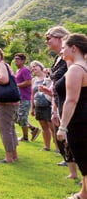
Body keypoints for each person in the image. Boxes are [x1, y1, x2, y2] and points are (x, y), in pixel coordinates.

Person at [40, 26, 78, 178]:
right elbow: (58, 85)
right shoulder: (57, 59)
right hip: (59, 102)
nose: (46, 41)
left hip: (72, 102)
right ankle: (73, 172)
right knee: (61, 137)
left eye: (49, 38)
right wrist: (54, 105)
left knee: (74, 137)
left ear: (60, 38)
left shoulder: (72, 60)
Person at [55, 34, 87, 199]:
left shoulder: (76, 69)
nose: (62, 50)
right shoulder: (84, 66)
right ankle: (85, 194)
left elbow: (71, 100)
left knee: (84, 159)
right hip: (83, 118)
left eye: (65, 47)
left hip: (79, 121)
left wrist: (62, 127)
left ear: (74, 48)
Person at [0, 47, 19, 163]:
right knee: (10, 128)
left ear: (0, 57)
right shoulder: (3, 65)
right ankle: (14, 155)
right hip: (10, 102)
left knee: (5, 129)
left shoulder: (0, 65)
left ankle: (9, 157)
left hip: (4, 102)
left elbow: (4, 79)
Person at [14, 53, 41, 142]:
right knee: (17, 117)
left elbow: (29, 82)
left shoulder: (25, 70)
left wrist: (16, 85)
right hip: (18, 97)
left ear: (23, 61)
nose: (15, 60)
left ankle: (25, 137)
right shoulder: (18, 70)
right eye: (15, 58)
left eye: (18, 59)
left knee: (22, 117)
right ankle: (33, 129)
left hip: (24, 97)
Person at [30, 60, 55, 151]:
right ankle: (46, 146)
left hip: (48, 105)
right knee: (44, 127)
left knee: (52, 127)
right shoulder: (33, 80)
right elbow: (32, 95)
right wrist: (32, 108)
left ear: (40, 66)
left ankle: (57, 148)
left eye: (35, 66)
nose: (33, 68)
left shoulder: (48, 77)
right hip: (38, 105)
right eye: (32, 67)